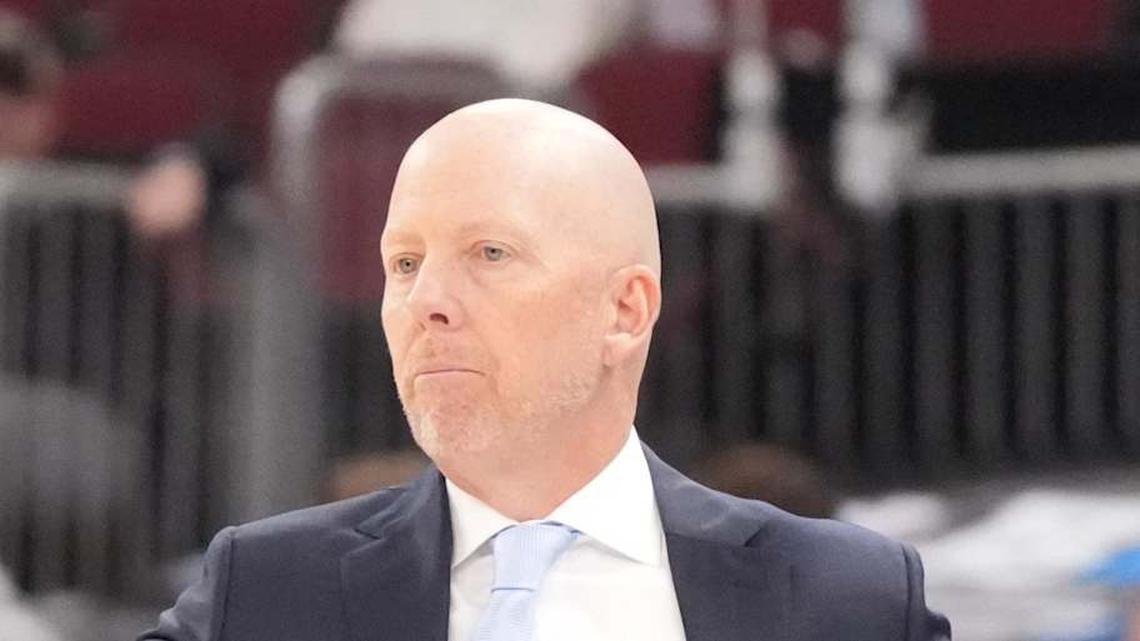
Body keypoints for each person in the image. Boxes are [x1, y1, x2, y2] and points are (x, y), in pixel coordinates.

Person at [139, 99, 950, 641]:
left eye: (490, 253)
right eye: (405, 262)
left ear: (626, 311)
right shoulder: (265, 593)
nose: (430, 301)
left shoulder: (849, 601)